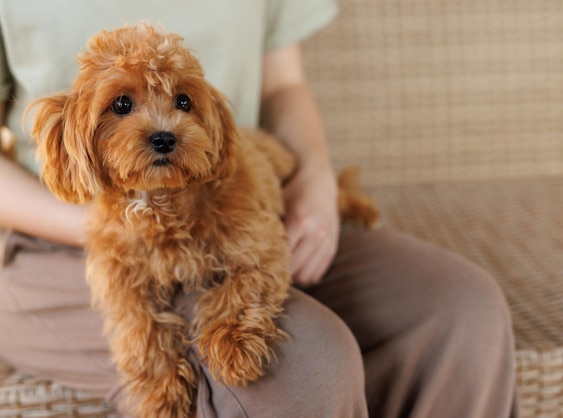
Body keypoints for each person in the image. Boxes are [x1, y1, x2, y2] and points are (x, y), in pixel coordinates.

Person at [0, 1, 519, 417]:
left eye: (181, 103)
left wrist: (314, 175)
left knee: (463, 308)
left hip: (234, 197)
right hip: (57, 233)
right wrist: (106, 227)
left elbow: (283, 85)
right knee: (304, 363)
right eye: (122, 106)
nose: (161, 125)